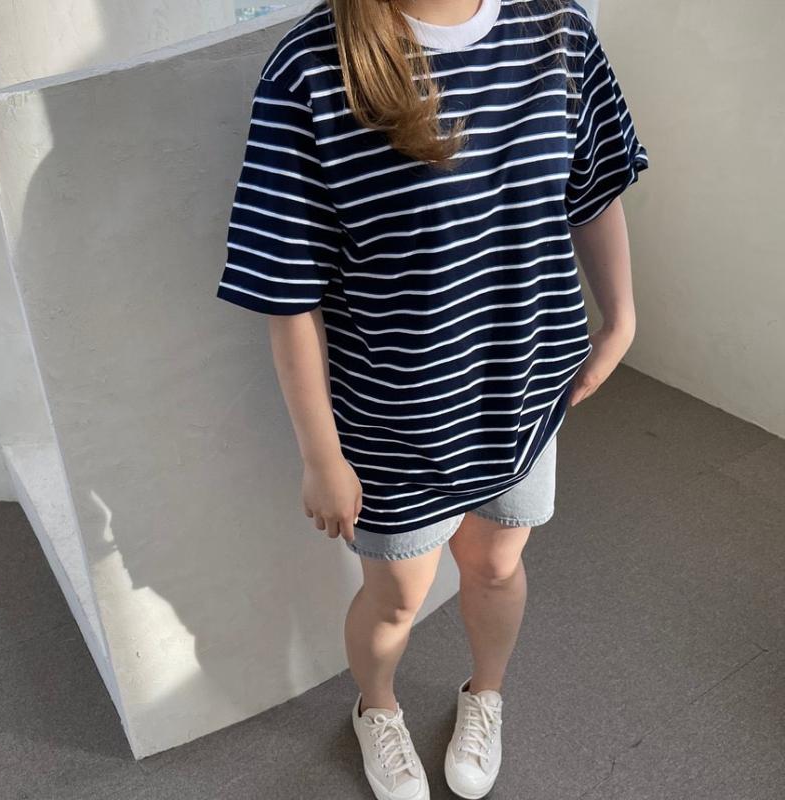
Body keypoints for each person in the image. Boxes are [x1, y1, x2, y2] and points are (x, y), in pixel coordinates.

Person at [216, 0, 649, 796]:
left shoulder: (558, 27)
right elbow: (288, 290)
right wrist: (321, 455)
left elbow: (591, 185)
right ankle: (375, 708)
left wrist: (620, 317)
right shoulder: (313, 68)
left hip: (524, 389)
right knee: (396, 598)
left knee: (496, 565)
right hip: (394, 418)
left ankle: (487, 694)